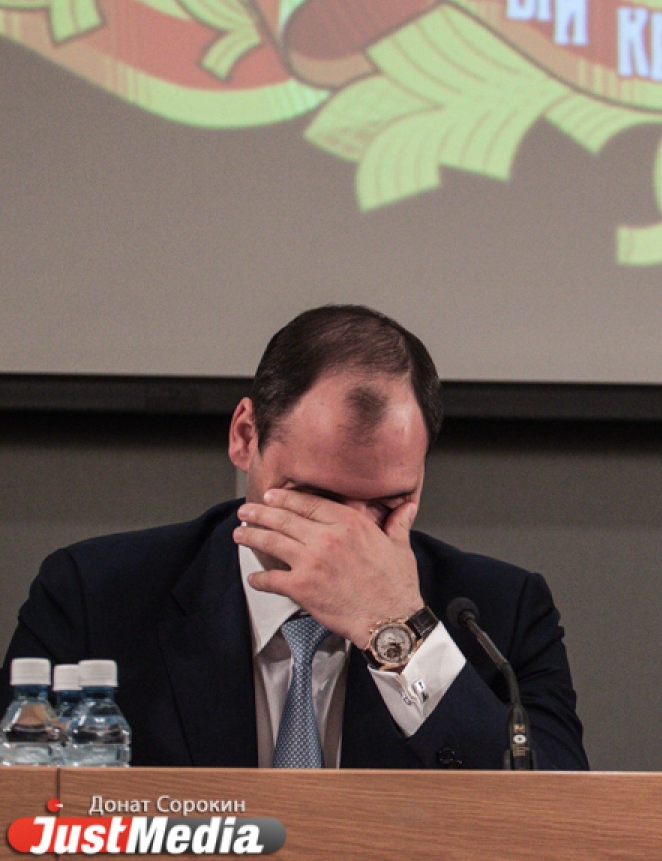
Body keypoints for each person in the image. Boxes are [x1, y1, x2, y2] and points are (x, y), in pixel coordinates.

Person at [4, 305, 587, 769]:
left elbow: (559, 824)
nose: (346, 538)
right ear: (245, 436)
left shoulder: (498, 613)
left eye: (385, 505)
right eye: (316, 499)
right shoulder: (95, 595)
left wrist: (399, 632)